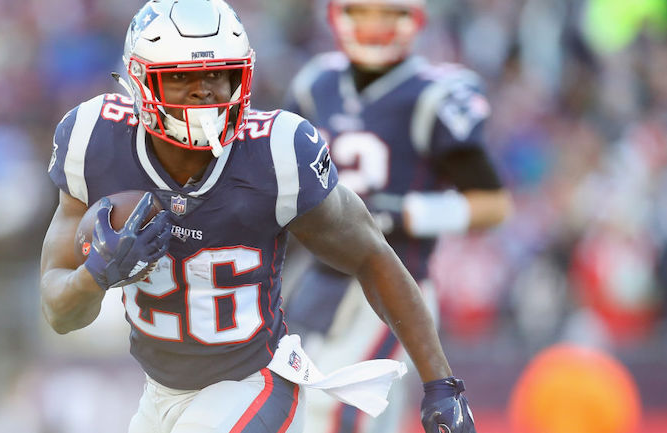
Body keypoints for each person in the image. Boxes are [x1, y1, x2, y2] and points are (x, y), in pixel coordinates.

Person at [40, 1, 477, 432]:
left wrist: (441, 384)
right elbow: (59, 313)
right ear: (139, 80)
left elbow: (372, 256)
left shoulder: (277, 152)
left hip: (252, 384)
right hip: (158, 394)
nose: (204, 90)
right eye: (180, 76)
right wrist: (95, 275)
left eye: (218, 74)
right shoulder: (93, 139)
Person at [282, 0, 512, 432]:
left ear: (412, 19)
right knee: (299, 409)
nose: (373, 25)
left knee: (342, 415)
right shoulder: (315, 84)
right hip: (317, 278)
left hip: (393, 279)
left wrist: (402, 215)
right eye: (362, 12)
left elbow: (493, 204)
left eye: (386, 13)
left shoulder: (434, 94)